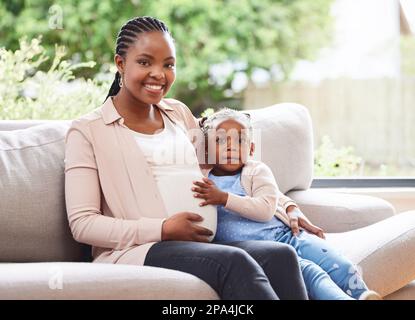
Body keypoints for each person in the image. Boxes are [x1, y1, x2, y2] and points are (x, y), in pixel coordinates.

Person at [64, 16, 308, 300]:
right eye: (145, 62)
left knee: (281, 255)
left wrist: (286, 205)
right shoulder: (88, 131)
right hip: (138, 251)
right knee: (235, 264)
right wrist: (163, 229)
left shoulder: (177, 114)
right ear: (120, 64)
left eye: (168, 65)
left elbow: (232, 164)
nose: (159, 74)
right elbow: (83, 224)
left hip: (204, 243)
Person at [193, 107, 382, 300]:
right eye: (221, 140)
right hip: (261, 251)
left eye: (240, 140)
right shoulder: (201, 178)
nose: (231, 146)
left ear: (251, 149)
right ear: (206, 149)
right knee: (310, 273)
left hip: (287, 236)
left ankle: (364, 294)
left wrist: (224, 198)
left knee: (338, 263)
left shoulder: (256, 171)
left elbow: (266, 209)